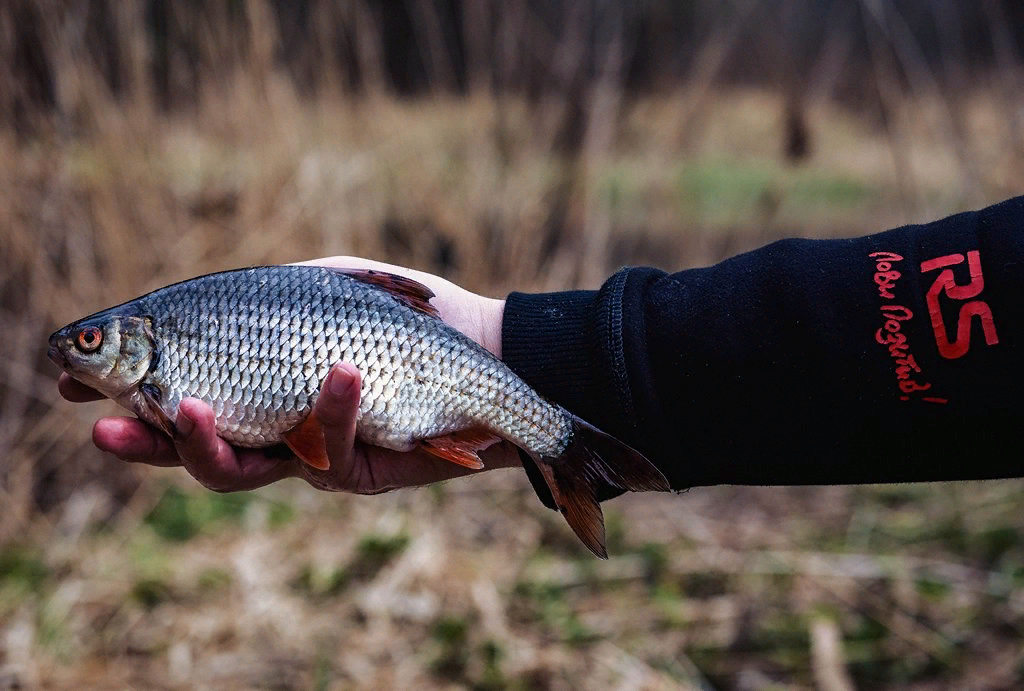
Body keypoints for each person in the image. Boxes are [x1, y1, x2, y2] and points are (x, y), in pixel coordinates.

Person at [58, 196, 1024, 509]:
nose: (84, 351)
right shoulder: (176, 344)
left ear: (138, 339)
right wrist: (489, 333)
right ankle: (564, 437)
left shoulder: (176, 337)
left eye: (96, 340)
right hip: (426, 362)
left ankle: (568, 444)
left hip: (415, 369)